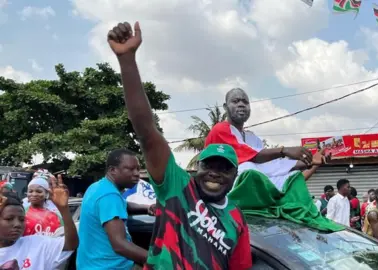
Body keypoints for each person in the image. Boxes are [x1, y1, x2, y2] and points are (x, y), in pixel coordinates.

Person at [107, 21, 252, 269]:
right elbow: (146, 131)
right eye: (208, 164)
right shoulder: (177, 185)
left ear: (234, 175)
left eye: (224, 167)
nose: (214, 172)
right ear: (197, 167)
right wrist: (127, 60)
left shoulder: (237, 219)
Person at [205, 87, 326, 191]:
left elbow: (270, 166)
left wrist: (311, 162)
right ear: (225, 107)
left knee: (292, 176)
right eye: (235, 101)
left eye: (245, 102)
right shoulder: (220, 129)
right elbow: (254, 157)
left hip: (252, 187)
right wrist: (284, 150)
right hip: (220, 187)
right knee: (248, 169)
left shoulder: (252, 138)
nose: (241, 104)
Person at [76, 149, 154, 269]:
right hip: (111, 266)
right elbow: (120, 245)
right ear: (113, 170)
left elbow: (123, 205)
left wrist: (147, 208)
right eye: (130, 169)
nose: (137, 173)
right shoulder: (109, 196)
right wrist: (156, 261)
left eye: (138, 169)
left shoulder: (97, 187)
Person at [0, 175, 78, 269]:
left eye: (22, 219)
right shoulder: (27, 209)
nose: (17, 224)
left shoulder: (36, 244)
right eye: (9, 219)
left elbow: (71, 244)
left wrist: (64, 209)